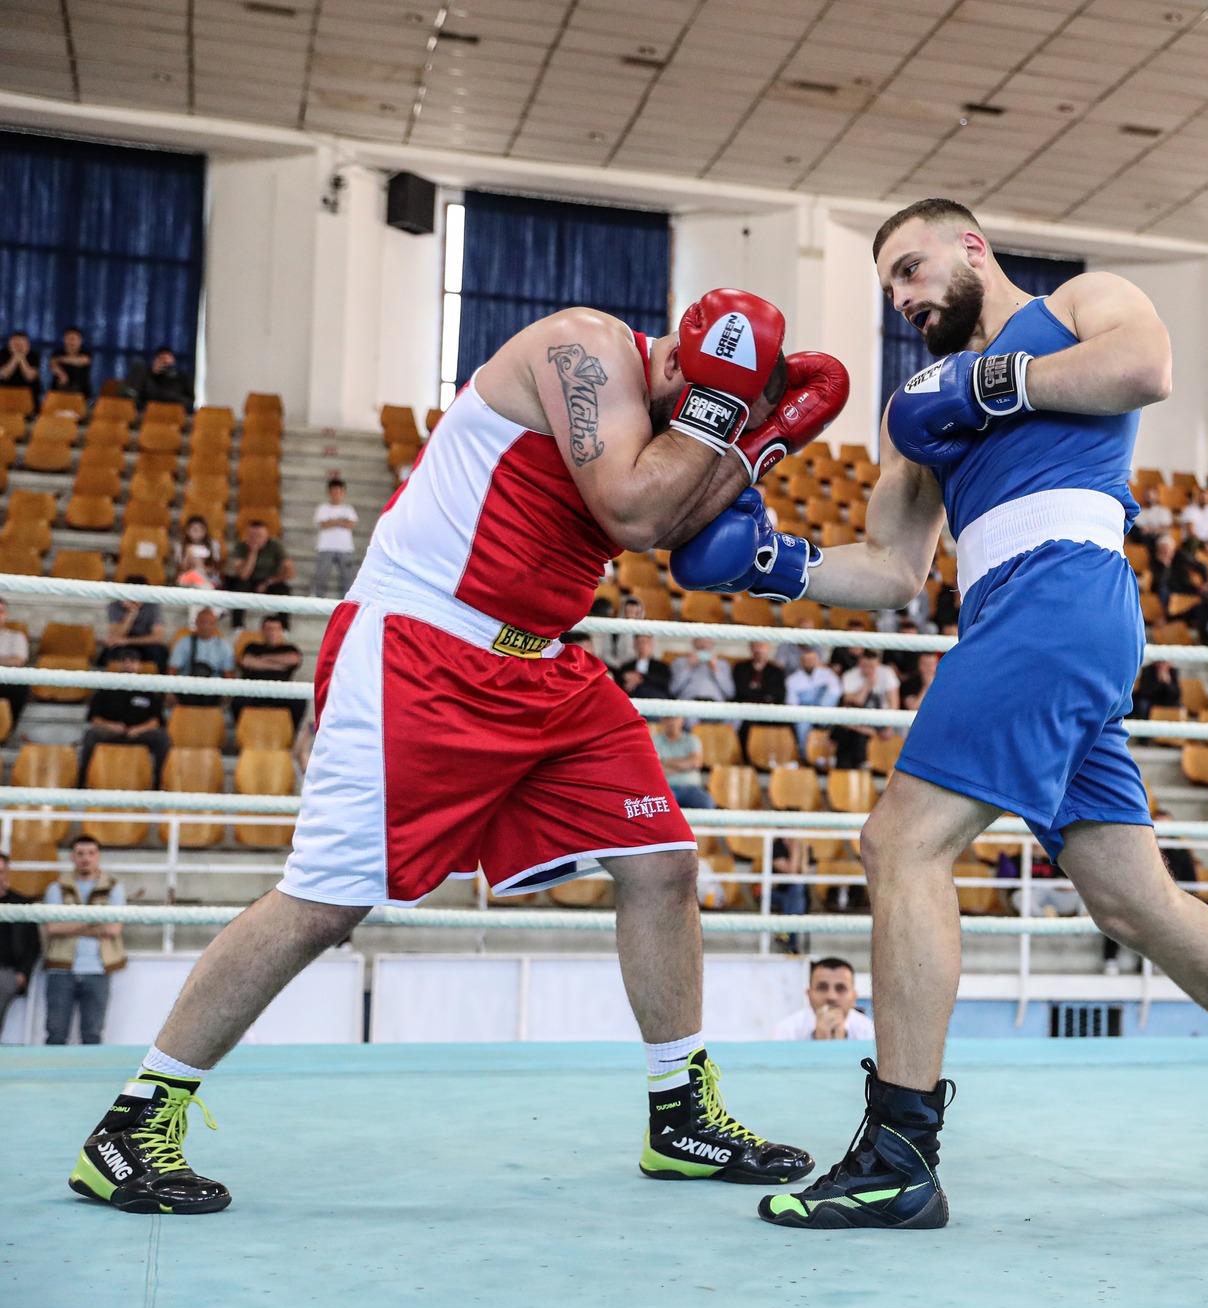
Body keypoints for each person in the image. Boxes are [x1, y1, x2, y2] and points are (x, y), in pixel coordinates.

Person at [679, 199, 1208, 1231]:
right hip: (1012, 616)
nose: (903, 297)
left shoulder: (1074, 306)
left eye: (913, 269)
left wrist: (995, 380)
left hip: (1063, 594)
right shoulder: (917, 407)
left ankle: (898, 1153)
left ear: (972, 248)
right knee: (1130, 898)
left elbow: (1144, 369)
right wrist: (767, 562)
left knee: (900, 847)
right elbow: (890, 570)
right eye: (888, 287)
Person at [64, 285, 840, 1214]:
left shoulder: (667, 417)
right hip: (425, 645)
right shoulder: (582, 348)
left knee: (663, 860)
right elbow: (638, 513)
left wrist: (757, 440)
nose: (704, 431)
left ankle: (679, 1112)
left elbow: (677, 524)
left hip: (543, 666)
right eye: (706, 408)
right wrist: (735, 426)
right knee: (324, 903)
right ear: (681, 366)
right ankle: (132, 1122)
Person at [40, 836, 127, 1046]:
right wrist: (95, 922)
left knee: (92, 1035)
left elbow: (114, 929)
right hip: (60, 968)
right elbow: (52, 927)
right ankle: (51, 1079)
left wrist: (72, 923)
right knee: (56, 1034)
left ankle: (90, 1080)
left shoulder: (114, 887)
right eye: (80, 853)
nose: (85, 858)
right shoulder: (56, 887)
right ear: (72, 856)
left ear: (98, 856)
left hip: (98, 969)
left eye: (91, 853)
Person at [78, 649, 171, 783]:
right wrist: (111, 726)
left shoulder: (148, 691)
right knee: (90, 735)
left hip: (139, 734)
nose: (128, 665)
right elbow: (94, 719)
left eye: (132, 661)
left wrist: (139, 729)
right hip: (112, 733)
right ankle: (82, 782)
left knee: (162, 738)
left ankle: (159, 783)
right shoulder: (106, 689)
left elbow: (156, 721)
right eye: (124, 661)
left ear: (139, 665)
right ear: (119, 665)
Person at [770, 958, 876, 1042]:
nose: (831, 996)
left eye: (840, 988)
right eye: (822, 988)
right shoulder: (786, 1031)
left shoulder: (870, 1033)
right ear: (809, 994)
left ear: (854, 996)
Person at [236, 615, 306, 729]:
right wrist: (279, 664)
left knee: (299, 702)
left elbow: (294, 659)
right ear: (262, 631)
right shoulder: (252, 647)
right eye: (268, 629)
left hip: (281, 690)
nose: (272, 632)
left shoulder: (289, 648)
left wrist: (260, 660)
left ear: (281, 631)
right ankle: (242, 735)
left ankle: (291, 737)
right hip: (255, 689)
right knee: (237, 701)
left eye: (275, 629)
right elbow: (246, 661)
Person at [0, 852, 41, 1038]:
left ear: (7, 873)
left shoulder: (21, 904)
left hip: (7, 972)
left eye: (0, 871)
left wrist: (23, 972)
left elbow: (34, 945)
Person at [221, 522, 293, 627]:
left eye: (259, 536)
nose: (255, 538)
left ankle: (284, 626)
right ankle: (237, 626)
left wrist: (268, 582)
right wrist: (253, 552)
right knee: (239, 588)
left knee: (284, 590)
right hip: (248, 581)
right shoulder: (241, 546)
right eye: (252, 536)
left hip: (270, 580)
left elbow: (290, 572)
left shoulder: (275, 546)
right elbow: (244, 575)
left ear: (266, 535)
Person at [168, 607, 235, 706]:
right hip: (188, 687)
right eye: (202, 622)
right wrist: (169, 691)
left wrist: (226, 693)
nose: (205, 626)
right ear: (196, 623)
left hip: (212, 689)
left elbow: (228, 673)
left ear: (215, 624)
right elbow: (172, 669)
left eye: (210, 622)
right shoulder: (184, 642)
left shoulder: (223, 646)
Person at [784, 645, 842, 754]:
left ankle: (829, 757)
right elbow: (792, 704)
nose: (810, 662)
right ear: (801, 662)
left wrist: (820, 711)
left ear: (818, 660)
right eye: (806, 660)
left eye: (812, 659)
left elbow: (835, 692)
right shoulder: (792, 680)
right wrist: (808, 714)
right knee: (802, 725)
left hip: (825, 713)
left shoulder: (828, 675)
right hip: (804, 716)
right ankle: (805, 756)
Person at [650, 714, 715, 810]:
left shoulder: (692, 740)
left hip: (691, 788)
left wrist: (664, 761)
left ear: (682, 720)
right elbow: (653, 769)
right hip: (665, 788)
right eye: (668, 718)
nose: (672, 722)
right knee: (657, 808)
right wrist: (685, 765)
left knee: (707, 803)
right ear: (662, 720)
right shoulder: (653, 740)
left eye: (675, 718)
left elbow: (695, 762)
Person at [103, 579, 168, 670]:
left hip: (144, 642)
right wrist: (131, 614)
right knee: (109, 651)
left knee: (158, 651)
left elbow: (157, 637)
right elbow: (115, 636)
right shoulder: (114, 606)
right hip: (122, 644)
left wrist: (127, 641)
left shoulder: (153, 606)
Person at [311, 479, 360, 598]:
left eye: (339, 491)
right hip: (326, 547)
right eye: (334, 491)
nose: (336, 494)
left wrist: (332, 521)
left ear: (343, 493)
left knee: (347, 577)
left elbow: (352, 524)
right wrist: (341, 521)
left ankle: (347, 600)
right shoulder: (322, 508)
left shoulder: (348, 509)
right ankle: (318, 598)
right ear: (329, 492)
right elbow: (322, 525)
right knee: (321, 575)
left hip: (345, 548)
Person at [126, 347, 194, 410]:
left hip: (174, 405)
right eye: (161, 359)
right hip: (150, 405)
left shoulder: (183, 377)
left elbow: (190, 400)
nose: (164, 362)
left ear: (173, 360)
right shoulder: (147, 373)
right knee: (138, 365)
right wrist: (152, 373)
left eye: (167, 359)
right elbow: (144, 394)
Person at [669, 638, 734, 702]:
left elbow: (730, 694)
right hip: (689, 704)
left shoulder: (722, 664)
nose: (703, 643)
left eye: (707, 639)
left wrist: (715, 670)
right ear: (693, 641)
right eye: (700, 639)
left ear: (713, 641)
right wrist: (688, 667)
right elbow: (672, 690)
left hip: (714, 705)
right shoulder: (680, 661)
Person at [612, 634, 673, 700]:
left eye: (646, 642)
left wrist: (639, 678)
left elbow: (664, 682)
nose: (643, 646)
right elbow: (619, 682)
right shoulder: (627, 667)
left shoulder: (661, 666)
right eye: (640, 642)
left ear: (651, 644)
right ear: (635, 644)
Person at [0, 598, 31, 725]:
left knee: (20, 687)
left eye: (0, 611)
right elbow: (12, 660)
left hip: (6, 682)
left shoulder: (17, 636)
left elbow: (18, 661)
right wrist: (5, 659)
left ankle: (6, 728)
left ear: (6, 615)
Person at [47, 327, 92, 396]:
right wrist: (61, 374)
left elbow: (83, 361)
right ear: (64, 339)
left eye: (74, 339)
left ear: (80, 340)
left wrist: (60, 359)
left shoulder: (86, 353)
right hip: (59, 390)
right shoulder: (57, 353)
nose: (71, 341)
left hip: (81, 392)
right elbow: (52, 365)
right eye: (69, 338)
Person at [0, 331, 41, 403]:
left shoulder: (34, 355)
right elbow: (4, 375)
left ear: (28, 344)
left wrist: (22, 359)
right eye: (15, 344)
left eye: (21, 344)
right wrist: (14, 358)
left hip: (29, 393)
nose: (18, 347)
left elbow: (30, 377)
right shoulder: (2, 353)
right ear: (9, 343)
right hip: (5, 392)